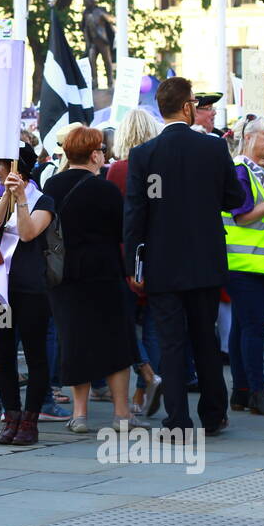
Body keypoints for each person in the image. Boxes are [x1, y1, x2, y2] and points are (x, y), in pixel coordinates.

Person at [124, 77, 246, 435]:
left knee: (172, 343)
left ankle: (178, 419)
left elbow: (135, 214)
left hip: (162, 265)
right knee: (205, 340)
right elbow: (235, 198)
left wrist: (134, 265)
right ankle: (213, 414)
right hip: (204, 261)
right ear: (187, 106)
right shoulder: (211, 149)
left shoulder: (143, 155)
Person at [46, 127, 148, 433]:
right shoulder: (104, 189)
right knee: (115, 341)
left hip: (65, 276)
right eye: (101, 150)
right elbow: (123, 231)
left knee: (75, 341)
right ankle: (121, 414)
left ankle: (79, 414)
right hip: (104, 272)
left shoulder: (52, 185)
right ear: (93, 154)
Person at [0, 146, 55, 444]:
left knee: (34, 354)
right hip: (2, 290)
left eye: (0, 165)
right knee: (2, 353)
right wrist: (6, 195)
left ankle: (30, 419)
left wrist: (23, 198)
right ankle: (11, 415)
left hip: (32, 289)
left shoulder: (45, 201)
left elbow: (27, 233)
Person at [224, 116, 264, 417]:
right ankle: (257, 393)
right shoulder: (240, 170)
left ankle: (241, 392)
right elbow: (242, 216)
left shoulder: (255, 171)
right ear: (248, 138)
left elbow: (257, 217)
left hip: (252, 263)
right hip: (244, 263)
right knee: (251, 331)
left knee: (241, 329)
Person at [106, 107, 163, 417]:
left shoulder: (118, 170)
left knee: (125, 326)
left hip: (126, 257)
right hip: (159, 255)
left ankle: (147, 375)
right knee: (154, 327)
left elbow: (120, 220)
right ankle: (144, 390)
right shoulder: (160, 168)